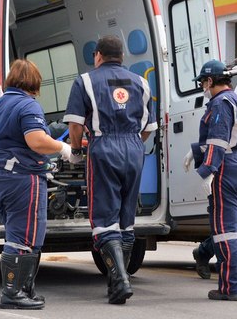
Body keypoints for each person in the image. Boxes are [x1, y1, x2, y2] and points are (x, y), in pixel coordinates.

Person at [63, 35, 157, 304]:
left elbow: (75, 126)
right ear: (122, 57)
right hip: (134, 148)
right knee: (126, 219)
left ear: (97, 55)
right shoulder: (141, 82)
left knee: (104, 219)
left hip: (103, 147)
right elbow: (149, 128)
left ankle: (120, 280)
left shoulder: (85, 81)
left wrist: (77, 152)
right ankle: (119, 279)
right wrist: (132, 147)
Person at [0, 59, 73, 310]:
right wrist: (63, 148)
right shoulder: (27, 105)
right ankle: (13, 292)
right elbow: (35, 140)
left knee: (18, 232)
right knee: (23, 236)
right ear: (33, 83)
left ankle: (24, 289)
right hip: (22, 177)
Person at [185, 60, 237, 301]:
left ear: (210, 81)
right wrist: (196, 150)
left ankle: (230, 287)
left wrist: (208, 170)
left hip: (228, 169)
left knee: (224, 232)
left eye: (203, 82)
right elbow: (234, 137)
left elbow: (219, 141)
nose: (203, 87)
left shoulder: (219, 103)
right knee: (235, 227)